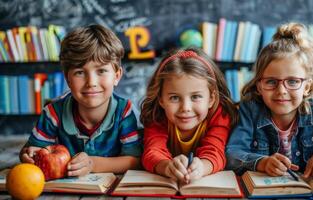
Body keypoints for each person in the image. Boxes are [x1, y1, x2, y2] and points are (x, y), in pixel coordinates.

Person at [226, 22, 313, 179]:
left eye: (293, 81)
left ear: (307, 86)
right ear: (259, 85)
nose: (281, 91)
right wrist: (261, 163)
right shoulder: (250, 109)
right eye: (271, 82)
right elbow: (232, 153)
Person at [19, 24, 142, 176]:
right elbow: (29, 150)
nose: (91, 82)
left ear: (116, 76)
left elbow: (135, 160)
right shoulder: (53, 113)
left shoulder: (124, 112)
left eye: (101, 71)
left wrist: (93, 163)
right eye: (79, 72)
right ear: (67, 78)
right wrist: (28, 155)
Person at [140, 47, 238, 183]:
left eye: (196, 96)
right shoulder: (157, 115)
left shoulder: (219, 114)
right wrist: (167, 167)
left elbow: (215, 151)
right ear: (161, 99)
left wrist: (202, 167)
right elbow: (152, 151)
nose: (185, 108)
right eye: (174, 98)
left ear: (211, 98)